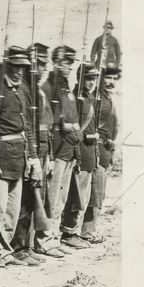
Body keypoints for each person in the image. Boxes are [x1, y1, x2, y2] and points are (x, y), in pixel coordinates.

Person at [0, 46, 41, 267]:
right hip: (1, 156)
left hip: (19, 157)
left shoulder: (22, 91)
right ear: (7, 66)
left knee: (12, 210)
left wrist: (33, 159)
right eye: (15, 67)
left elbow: (28, 127)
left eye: (23, 68)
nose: (18, 72)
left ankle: (5, 250)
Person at [10, 43, 62, 264]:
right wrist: (32, 156)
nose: (41, 69)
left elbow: (46, 128)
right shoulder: (22, 90)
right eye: (38, 64)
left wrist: (47, 155)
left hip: (41, 150)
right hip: (27, 153)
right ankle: (19, 246)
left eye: (43, 64)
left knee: (35, 201)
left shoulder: (37, 90)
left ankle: (29, 245)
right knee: (24, 200)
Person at [42, 45, 81, 254]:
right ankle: (45, 239)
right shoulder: (48, 87)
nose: (68, 67)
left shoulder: (67, 88)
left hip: (68, 150)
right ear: (55, 62)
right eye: (64, 62)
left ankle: (55, 236)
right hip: (56, 150)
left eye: (69, 63)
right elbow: (48, 123)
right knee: (51, 196)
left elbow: (72, 117)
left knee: (62, 197)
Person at [60, 62, 101, 247]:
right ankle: (69, 233)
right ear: (80, 79)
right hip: (81, 151)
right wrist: (89, 137)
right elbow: (73, 127)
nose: (91, 82)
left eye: (94, 79)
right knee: (75, 195)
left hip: (90, 152)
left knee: (83, 194)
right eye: (88, 78)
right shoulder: (77, 98)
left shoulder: (89, 97)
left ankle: (73, 230)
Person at [80, 63, 120, 242]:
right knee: (95, 192)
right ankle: (87, 232)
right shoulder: (99, 100)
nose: (111, 82)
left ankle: (89, 230)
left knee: (99, 192)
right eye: (108, 78)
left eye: (114, 78)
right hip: (96, 148)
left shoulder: (108, 98)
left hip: (105, 150)